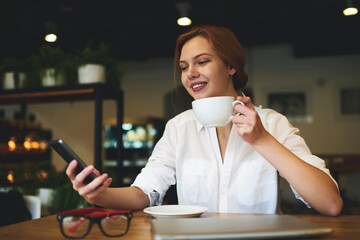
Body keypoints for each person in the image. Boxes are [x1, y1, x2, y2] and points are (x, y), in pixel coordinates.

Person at [66, 25, 343, 216]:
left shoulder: (271, 123)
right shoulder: (179, 128)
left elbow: (330, 204)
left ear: (231, 66)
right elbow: (143, 193)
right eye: (184, 67)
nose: (190, 74)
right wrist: (98, 195)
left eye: (202, 61)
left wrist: (262, 140)